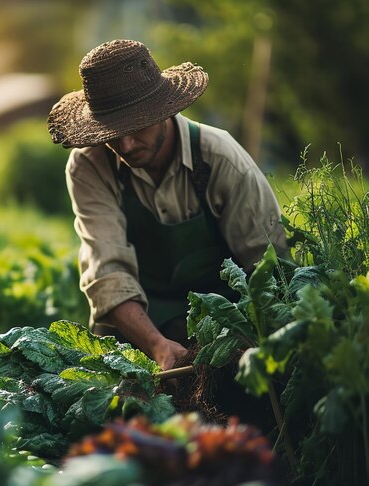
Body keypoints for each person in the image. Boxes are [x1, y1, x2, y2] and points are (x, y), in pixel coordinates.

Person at [47, 39, 287, 370]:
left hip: (228, 325)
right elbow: (108, 272)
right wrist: (158, 346)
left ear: (164, 112)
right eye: (112, 133)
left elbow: (268, 267)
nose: (126, 145)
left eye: (136, 127)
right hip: (139, 326)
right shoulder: (89, 165)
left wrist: (253, 348)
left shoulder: (219, 158)